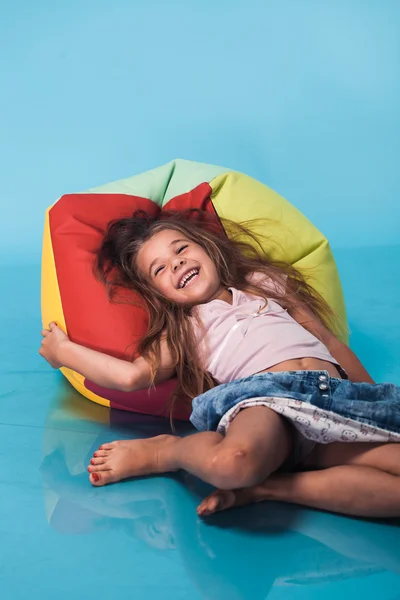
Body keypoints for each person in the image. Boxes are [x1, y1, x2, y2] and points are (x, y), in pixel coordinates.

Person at [39, 209, 400, 519]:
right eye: (160, 269)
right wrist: (64, 352)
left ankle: (271, 488)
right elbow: (133, 375)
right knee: (232, 463)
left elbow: (327, 339)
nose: (176, 262)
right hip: (266, 402)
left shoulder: (265, 283)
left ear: (207, 249)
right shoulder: (185, 326)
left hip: (334, 401)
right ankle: (168, 450)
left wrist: (369, 399)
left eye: (181, 249)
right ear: (157, 293)